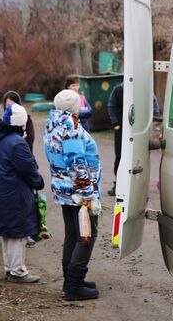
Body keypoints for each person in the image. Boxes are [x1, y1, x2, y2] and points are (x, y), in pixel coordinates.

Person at [44, 89, 101, 301]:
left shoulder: (53, 124)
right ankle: (74, 286)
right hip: (78, 192)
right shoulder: (72, 127)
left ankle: (71, 278)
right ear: (74, 107)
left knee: (72, 234)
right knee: (87, 236)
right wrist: (87, 194)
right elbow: (76, 162)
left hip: (63, 189)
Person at [0, 103, 44, 283]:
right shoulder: (17, 142)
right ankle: (18, 271)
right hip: (14, 192)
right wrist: (38, 182)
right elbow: (28, 168)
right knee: (18, 232)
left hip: (2, 190)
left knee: (9, 232)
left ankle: (10, 267)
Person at [107, 83, 123, 196]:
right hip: (121, 129)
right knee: (120, 157)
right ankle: (118, 184)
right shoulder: (118, 89)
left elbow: (152, 102)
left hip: (137, 130)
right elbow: (111, 106)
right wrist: (116, 123)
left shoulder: (141, 88)